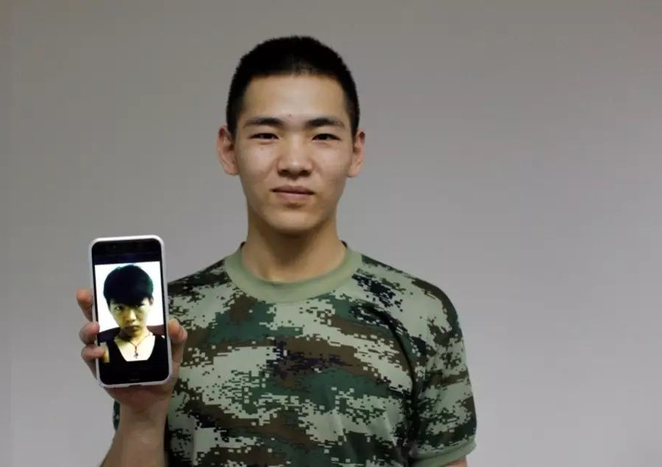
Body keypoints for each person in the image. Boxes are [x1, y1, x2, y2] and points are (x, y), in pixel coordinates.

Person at [78, 35, 477, 467]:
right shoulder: (170, 322)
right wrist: (142, 415)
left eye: (322, 135)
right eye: (267, 134)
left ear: (355, 151)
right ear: (229, 149)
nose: (294, 163)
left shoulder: (419, 314)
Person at [97, 264, 168, 370]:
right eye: (119, 308)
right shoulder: (103, 350)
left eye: (138, 305)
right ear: (109, 307)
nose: (130, 317)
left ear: (151, 302)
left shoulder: (166, 346)